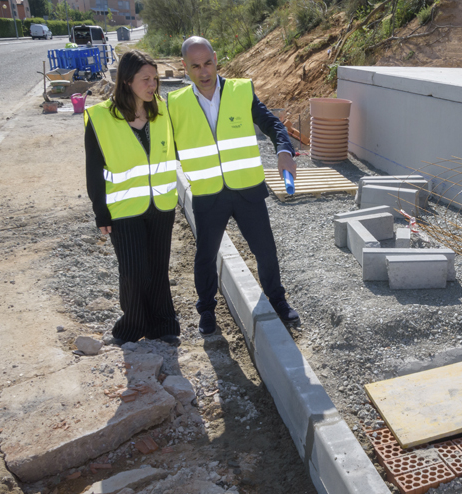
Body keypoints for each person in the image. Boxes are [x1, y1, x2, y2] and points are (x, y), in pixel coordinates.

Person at [168, 36, 300, 336]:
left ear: (216, 58)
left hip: (246, 190)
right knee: (205, 255)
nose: (203, 72)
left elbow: (273, 124)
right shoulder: (175, 104)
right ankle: (206, 310)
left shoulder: (241, 91)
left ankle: (277, 301)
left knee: (265, 250)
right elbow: (163, 147)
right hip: (208, 193)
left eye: (208, 63)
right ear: (185, 67)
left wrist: (284, 150)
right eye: (195, 66)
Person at [84, 49, 181, 346]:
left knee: (157, 268)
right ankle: (130, 328)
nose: (153, 85)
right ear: (126, 81)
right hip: (123, 209)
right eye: (146, 79)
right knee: (133, 271)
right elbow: (93, 169)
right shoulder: (100, 118)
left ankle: (164, 325)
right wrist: (100, 212)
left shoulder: (164, 110)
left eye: (155, 79)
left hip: (161, 205)